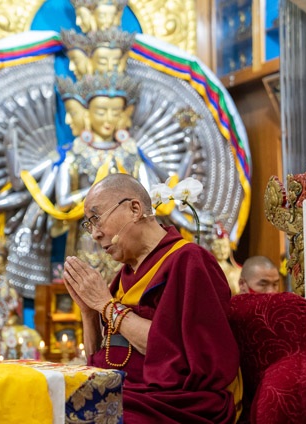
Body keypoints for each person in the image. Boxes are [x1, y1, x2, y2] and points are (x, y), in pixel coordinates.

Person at [63, 173, 242, 423]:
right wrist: (89, 312)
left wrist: (106, 306)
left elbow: (176, 352)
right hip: (128, 392)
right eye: (88, 225)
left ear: (135, 209)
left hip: (175, 401)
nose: (94, 234)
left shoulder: (188, 261)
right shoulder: (125, 275)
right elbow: (101, 359)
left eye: (96, 218)